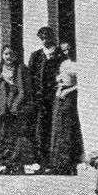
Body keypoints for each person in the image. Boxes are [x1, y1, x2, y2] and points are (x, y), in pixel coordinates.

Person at [0, 45, 37, 175]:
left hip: (15, 108)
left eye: (11, 54)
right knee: (4, 137)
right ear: (2, 55)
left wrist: (15, 107)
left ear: (16, 56)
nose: (8, 57)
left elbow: (24, 91)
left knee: (16, 138)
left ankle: (18, 166)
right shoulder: (0, 69)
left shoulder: (21, 69)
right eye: (6, 54)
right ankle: (8, 165)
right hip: (2, 109)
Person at [27, 27, 67, 173]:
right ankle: (42, 163)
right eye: (42, 38)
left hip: (54, 97)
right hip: (39, 98)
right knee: (40, 130)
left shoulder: (61, 56)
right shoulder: (36, 56)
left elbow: (65, 74)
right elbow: (29, 76)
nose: (45, 40)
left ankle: (54, 163)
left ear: (53, 37)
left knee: (54, 129)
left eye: (48, 37)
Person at [47, 50, 84, 175]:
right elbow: (61, 79)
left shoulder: (78, 64)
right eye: (63, 50)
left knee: (67, 129)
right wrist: (59, 89)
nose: (66, 52)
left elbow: (81, 83)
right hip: (60, 95)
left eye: (69, 50)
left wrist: (67, 91)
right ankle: (58, 164)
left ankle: (69, 165)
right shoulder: (63, 63)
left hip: (69, 96)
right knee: (58, 129)